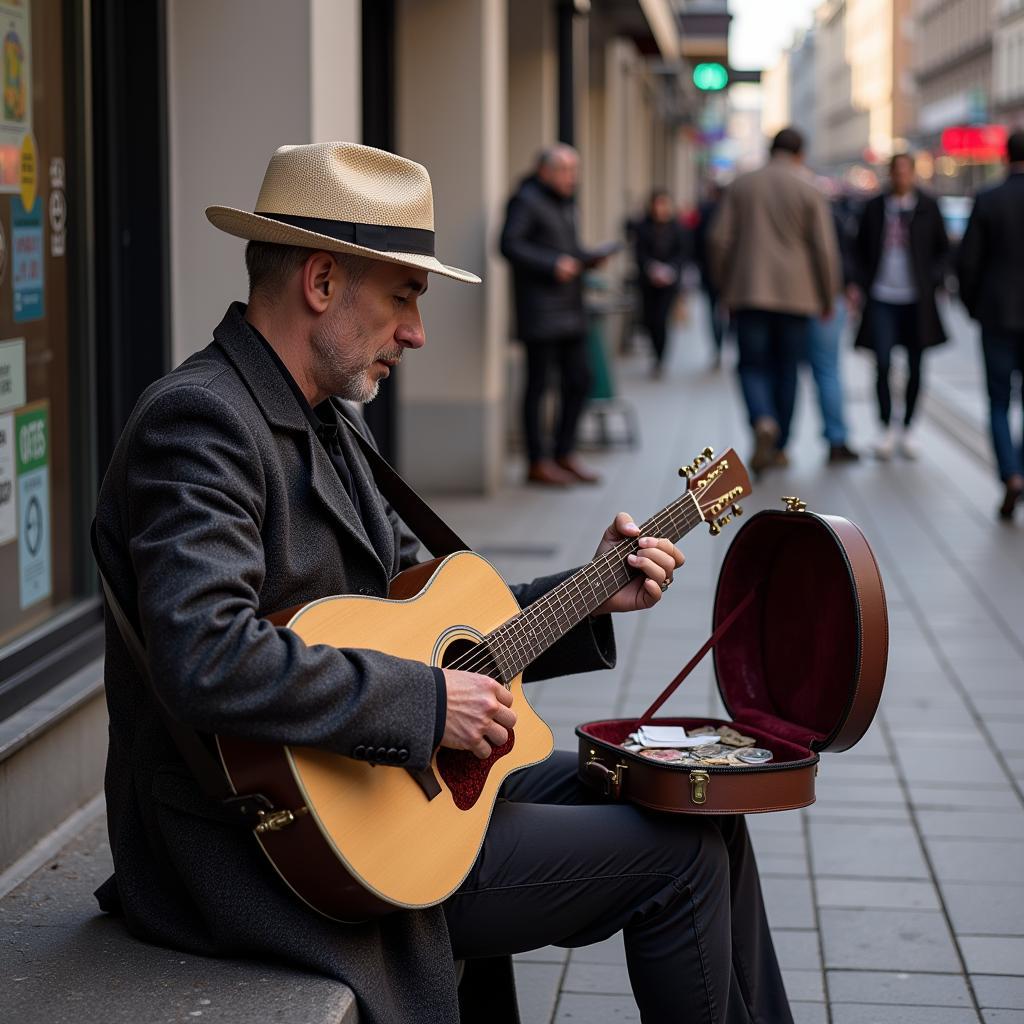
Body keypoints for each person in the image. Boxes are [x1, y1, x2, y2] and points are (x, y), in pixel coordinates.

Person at [91, 142, 792, 1024]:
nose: (417, 333)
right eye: (404, 297)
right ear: (320, 283)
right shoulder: (201, 421)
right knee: (677, 865)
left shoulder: (329, 422)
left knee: (699, 810)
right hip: (265, 846)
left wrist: (592, 592)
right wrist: (429, 707)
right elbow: (208, 654)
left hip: (382, 782)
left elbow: (424, 625)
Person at [708, 127, 840, 475]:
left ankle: (761, 418)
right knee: (788, 369)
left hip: (749, 292)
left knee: (751, 365)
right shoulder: (809, 188)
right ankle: (780, 445)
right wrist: (828, 297)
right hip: (797, 298)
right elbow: (824, 250)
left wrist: (726, 286)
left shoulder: (742, 184)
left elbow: (718, 240)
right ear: (800, 154)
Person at [500, 144, 613, 486]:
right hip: (541, 313)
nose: (571, 178)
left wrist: (587, 257)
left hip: (570, 310)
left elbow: (565, 250)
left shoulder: (564, 206)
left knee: (580, 380)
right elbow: (508, 244)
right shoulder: (526, 200)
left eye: (574, 170)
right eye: (565, 170)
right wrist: (552, 265)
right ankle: (537, 461)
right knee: (539, 386)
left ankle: (564, 453)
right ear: (544, 171)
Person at [850, 152, 949, 460]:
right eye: (897, 172)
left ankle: (908, 427)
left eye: (906, 172)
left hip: (916, 300)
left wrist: (934, 280)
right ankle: (885, 427)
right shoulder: (875, 207)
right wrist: (859, 283)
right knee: (882, 362)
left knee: (917, 364)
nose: (902, 178)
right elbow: (858, 248)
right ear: (890, 175)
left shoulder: (928, 207)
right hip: (882, 297)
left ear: (913, 175)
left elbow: (943, 250)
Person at [956, 130, 1024, 521]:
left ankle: (1011, 475)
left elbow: (967, 261)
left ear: (1004, 156)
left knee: (999, 400)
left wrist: (973, 305)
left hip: (997, 313)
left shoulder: (988, 199)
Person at [805, 190, 861, 464]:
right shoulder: (830, 216)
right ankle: (836, 438)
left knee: (783, 369)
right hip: (827, 298)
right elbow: (840, 257)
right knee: (827, 370)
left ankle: (777, 441)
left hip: (789, 300)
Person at [633, 189, 691, 377]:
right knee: (650, 320)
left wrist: (670, 270)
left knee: (661, 319)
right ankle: (655, 351)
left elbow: (682, 253)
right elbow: (639, 253)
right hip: (648, 281)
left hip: (669, 282)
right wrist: (651, 268)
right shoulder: (643, 227)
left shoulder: (677, 228)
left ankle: (661, 358)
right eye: (656, 204)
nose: (660, 209)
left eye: (663, 204)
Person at [693, 181, 729, 368]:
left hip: (709, 271)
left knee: (713, 310)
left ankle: (717, 347)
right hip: (731, 275)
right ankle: (724, 343)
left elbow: (697, 241)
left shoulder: (705, 210)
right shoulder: (734, 213)